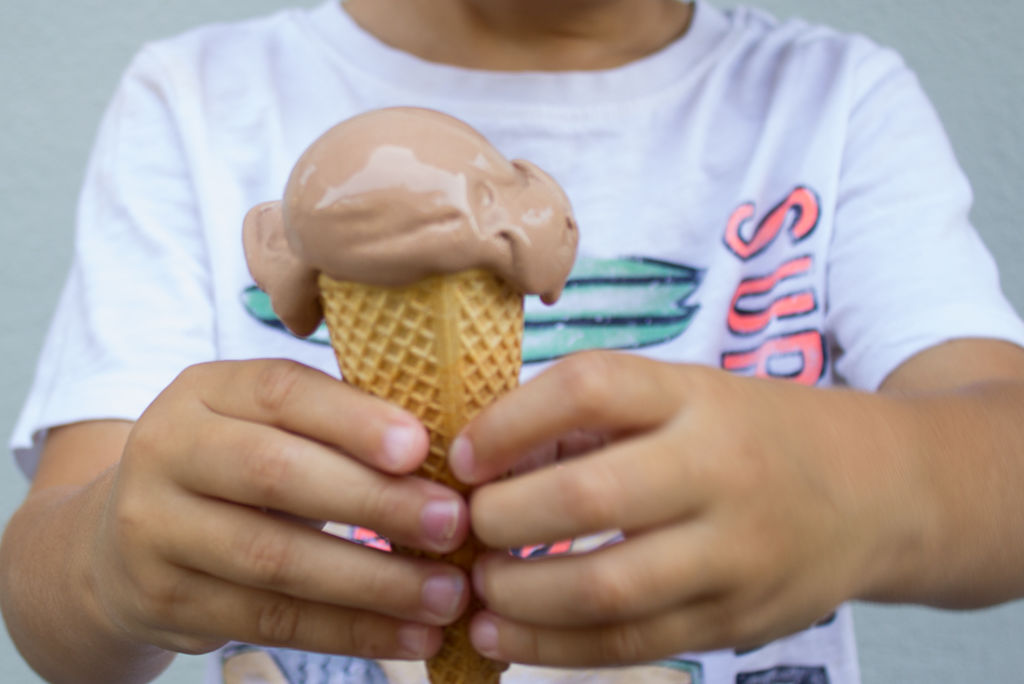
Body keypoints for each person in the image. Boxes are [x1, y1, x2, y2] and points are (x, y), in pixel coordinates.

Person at [3, 0, 1024, 682]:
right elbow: (48, 587)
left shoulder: (834, 101)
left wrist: (868, 482)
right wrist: (109, 561)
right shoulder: (195, 100)